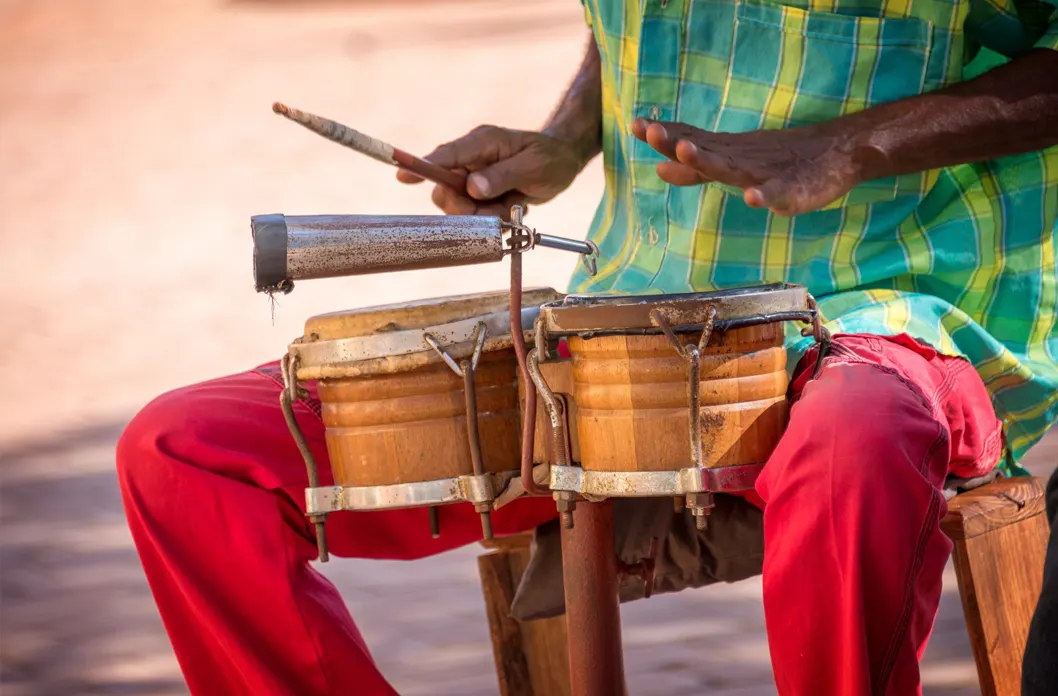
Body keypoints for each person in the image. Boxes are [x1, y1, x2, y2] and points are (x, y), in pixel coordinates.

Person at [116, 0, 1058, 693]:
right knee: (184, 455)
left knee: (854, 442)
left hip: (880, 304)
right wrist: (565, 139)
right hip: (622, 316)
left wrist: (852, 146)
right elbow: (632, 26)